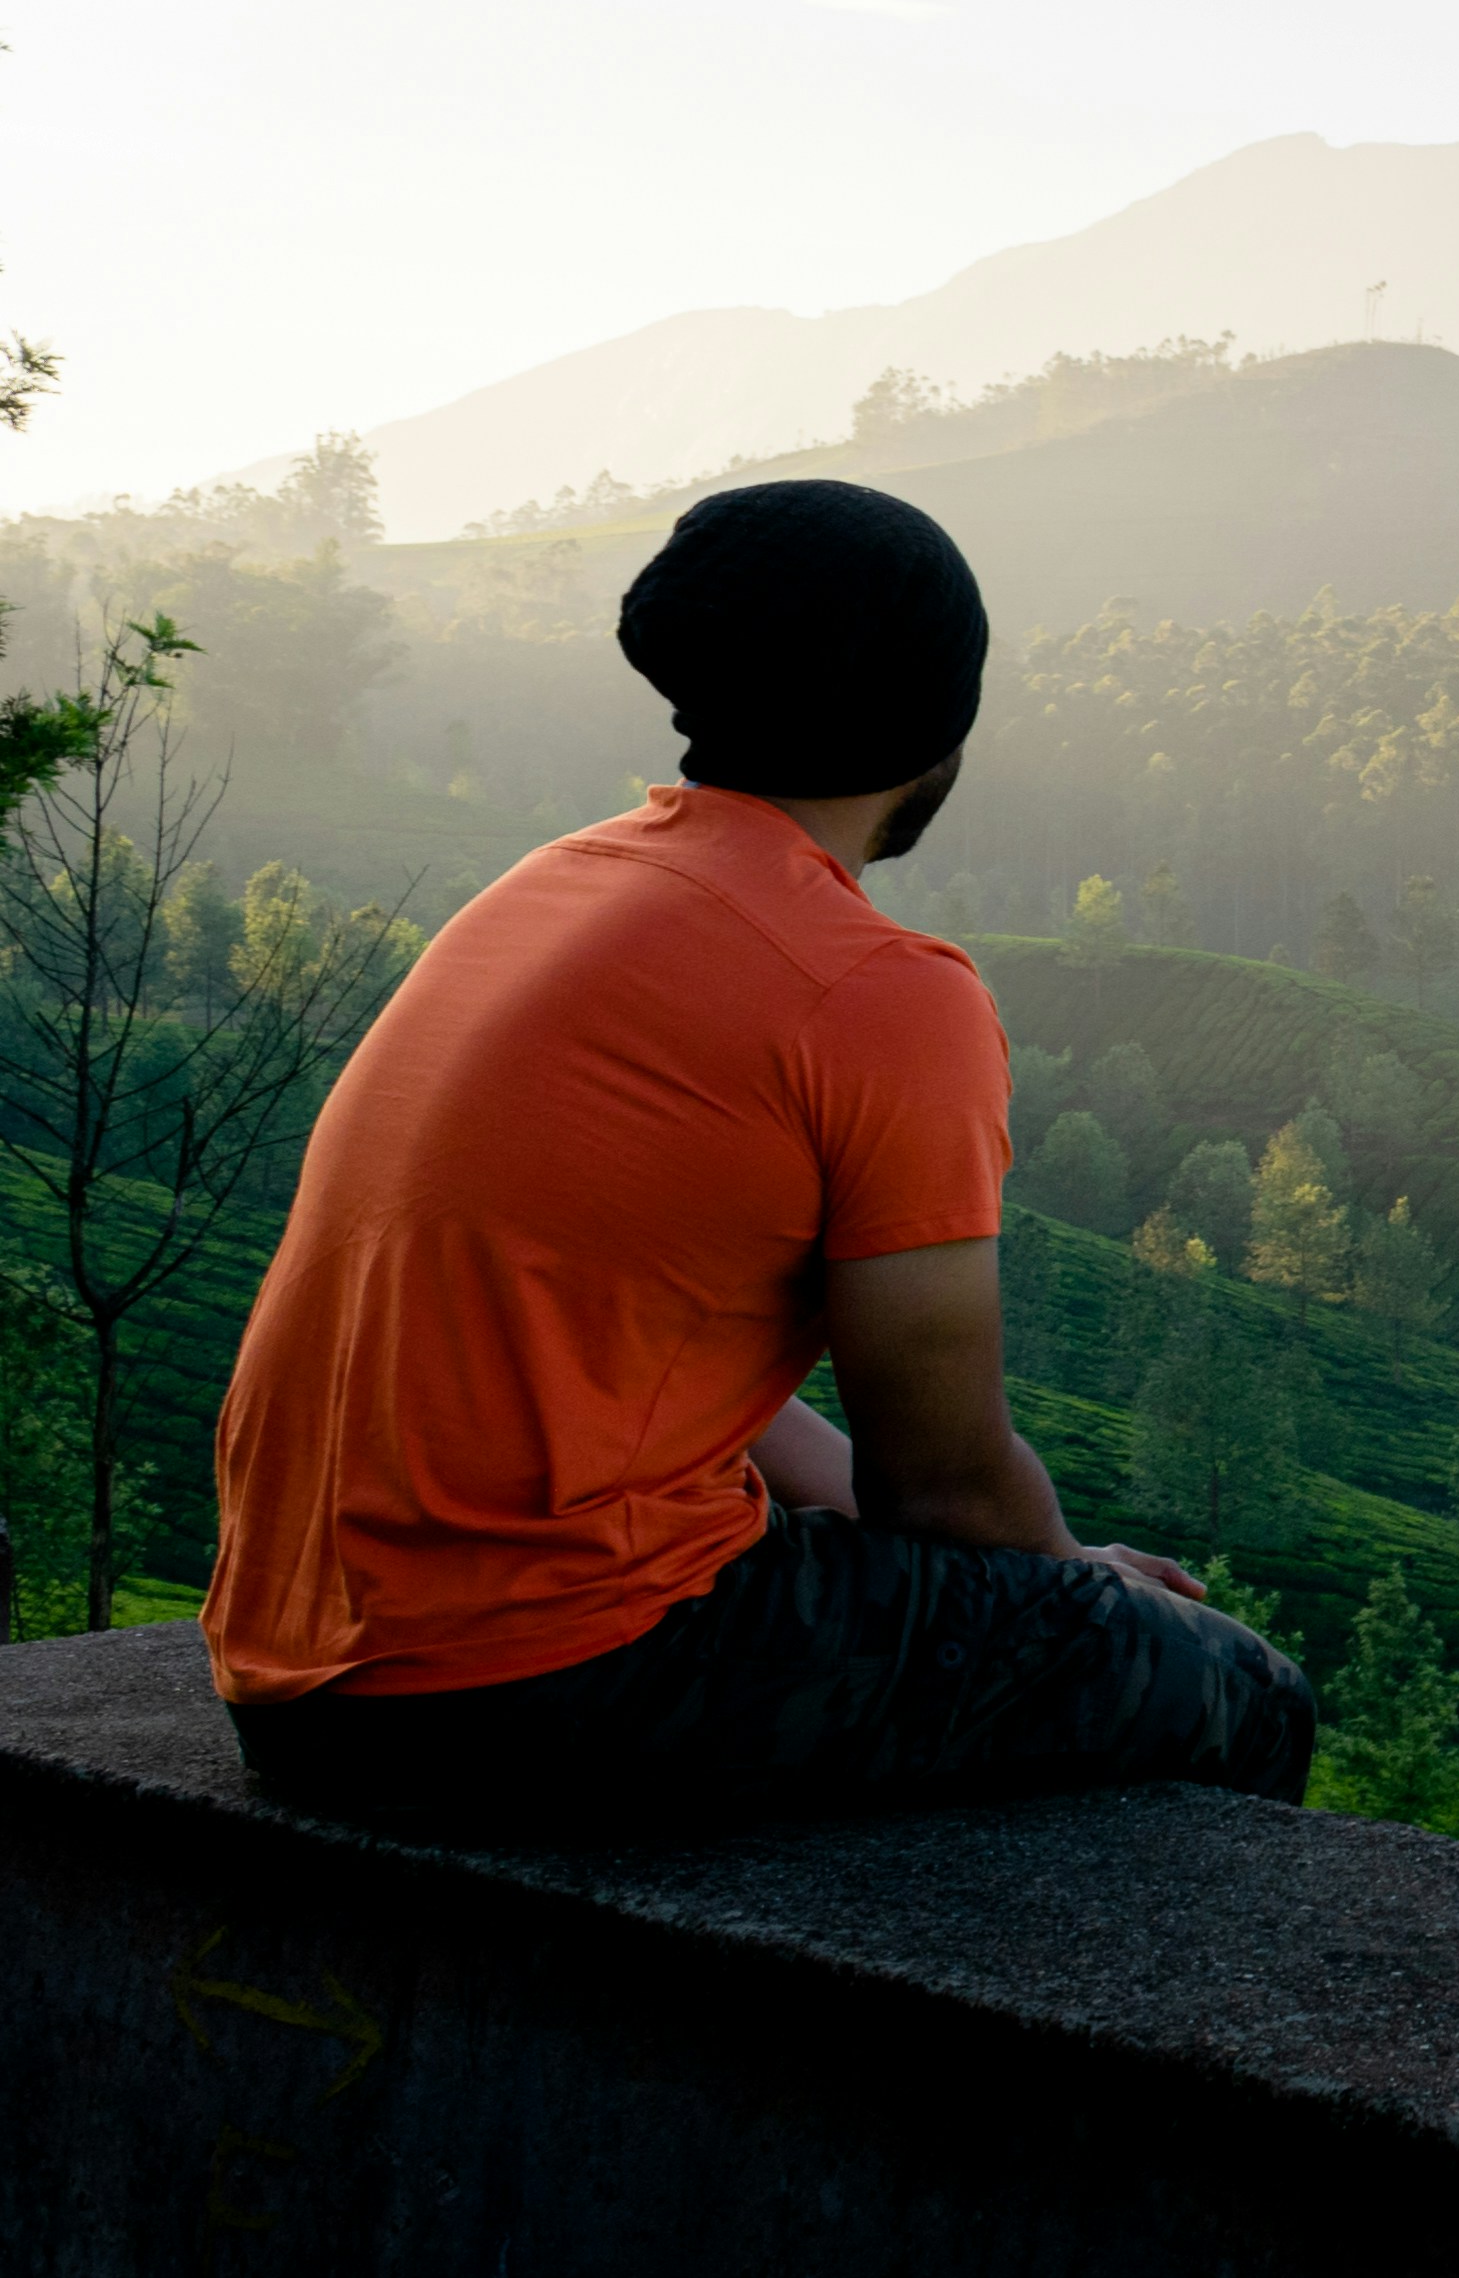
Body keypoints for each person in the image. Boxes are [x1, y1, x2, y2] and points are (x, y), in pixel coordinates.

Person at [202, 479, 1310, 1830]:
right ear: (938, 723)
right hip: (537, 1683)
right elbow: (942, 1478)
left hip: (295, 1667)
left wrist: (1039, 1575)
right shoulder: (881, 992)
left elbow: (632, 1343)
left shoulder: (554, 884)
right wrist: (1075, 1579)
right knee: (1237, 1690)